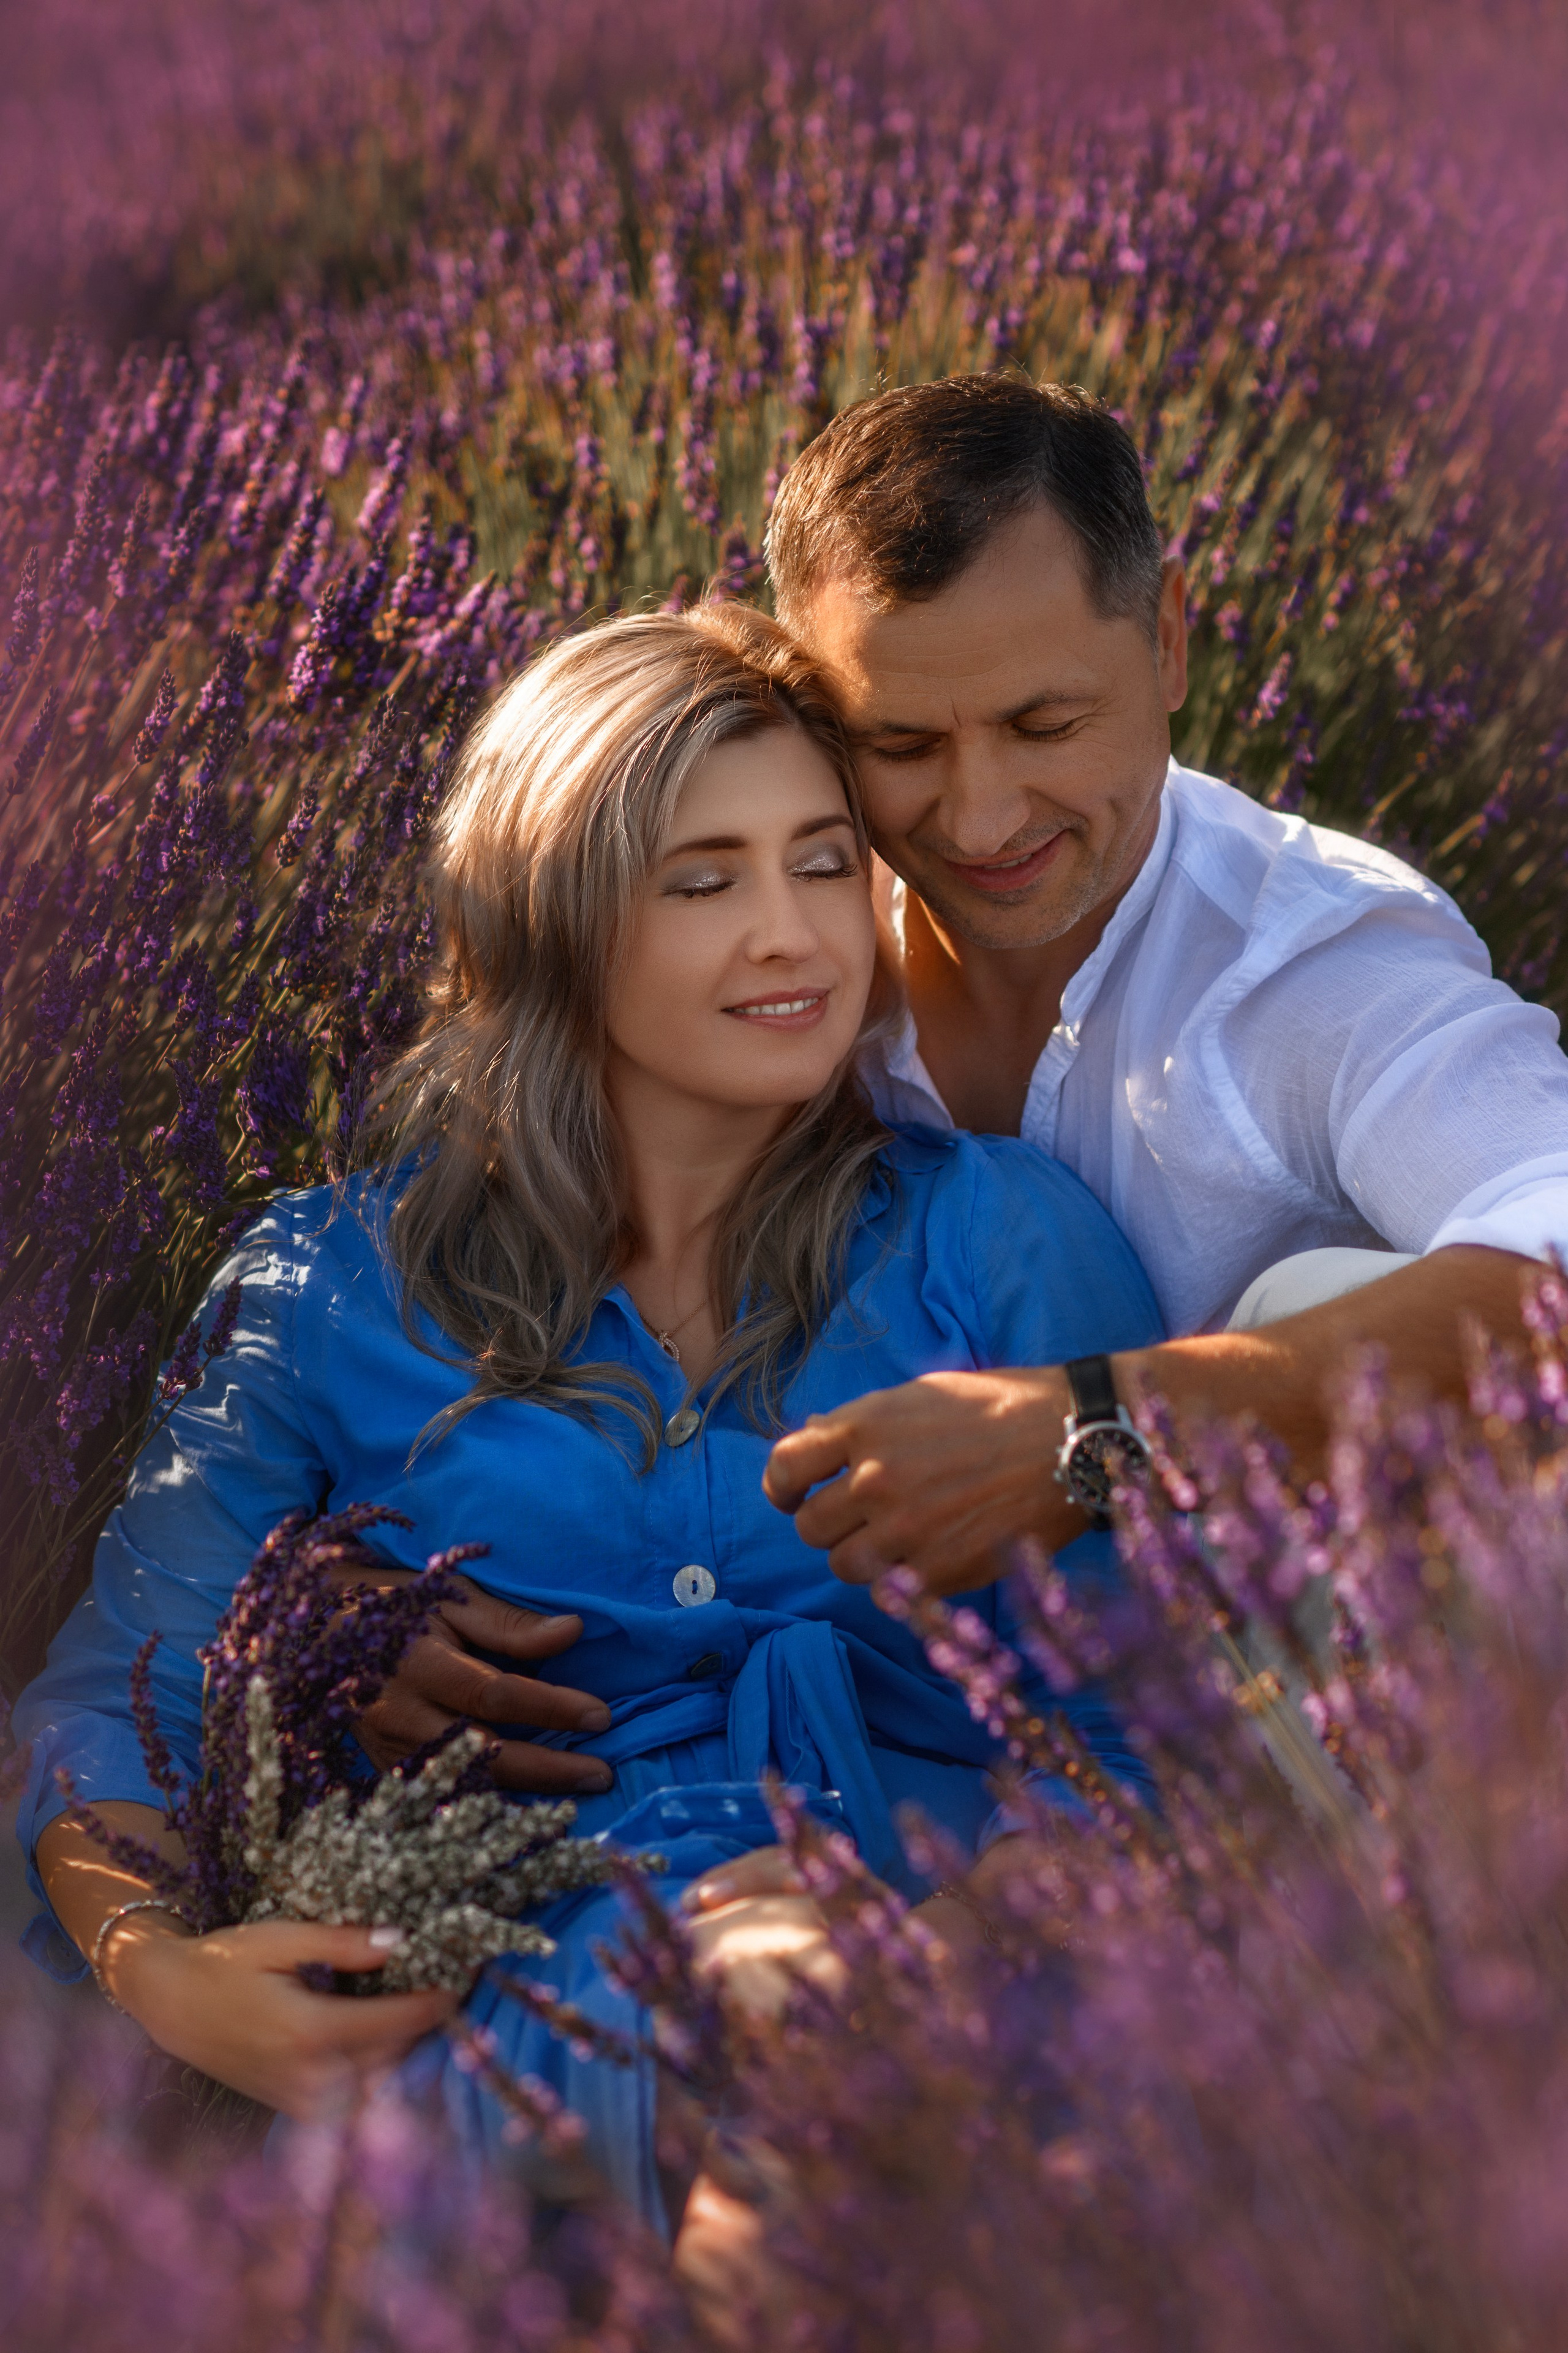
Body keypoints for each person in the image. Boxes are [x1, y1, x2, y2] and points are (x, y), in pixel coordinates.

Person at [14, 603, 1162, 2234]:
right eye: (703, 881)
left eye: (823, 862)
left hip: (973, 1961)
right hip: (523, 2007)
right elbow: (113, 1703)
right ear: (548, 922)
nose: (792, 934)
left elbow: (1145, 1716)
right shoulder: (324, 1287)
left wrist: (923, 1976)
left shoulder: (1000, 1236)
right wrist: (166, 1969)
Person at [369, 374, 1568, 1782]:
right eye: (900, 745)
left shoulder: (1314, 969)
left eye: (1043, 725)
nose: (981, 816)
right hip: (878, 1741)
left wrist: (1102, 1422)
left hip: (1340, 1717)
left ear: (1168, 640)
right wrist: (340, 1592)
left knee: (1322, 1307)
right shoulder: (778, 962)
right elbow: (500, 1287)